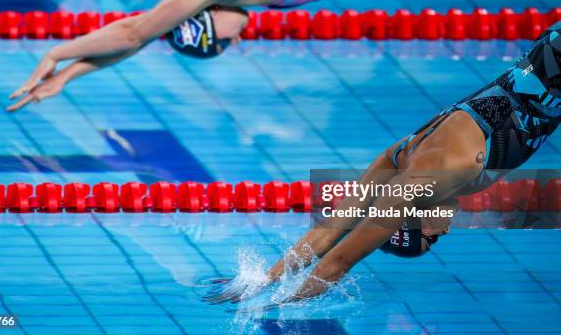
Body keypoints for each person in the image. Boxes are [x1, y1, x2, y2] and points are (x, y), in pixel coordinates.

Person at [204, 22, 561, 306]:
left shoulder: (424, 184)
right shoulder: (400, 157)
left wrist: (275, 304)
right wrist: (266, 278)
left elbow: (337, 261)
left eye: (433, 238)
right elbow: (327, 231)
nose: (447, 231)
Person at [7, 0, 476, 112]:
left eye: (223, 44)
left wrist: (57, 52)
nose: (236, 42)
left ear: (210, 24)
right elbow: (146, 32)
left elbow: (135, 30)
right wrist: (68, 76)